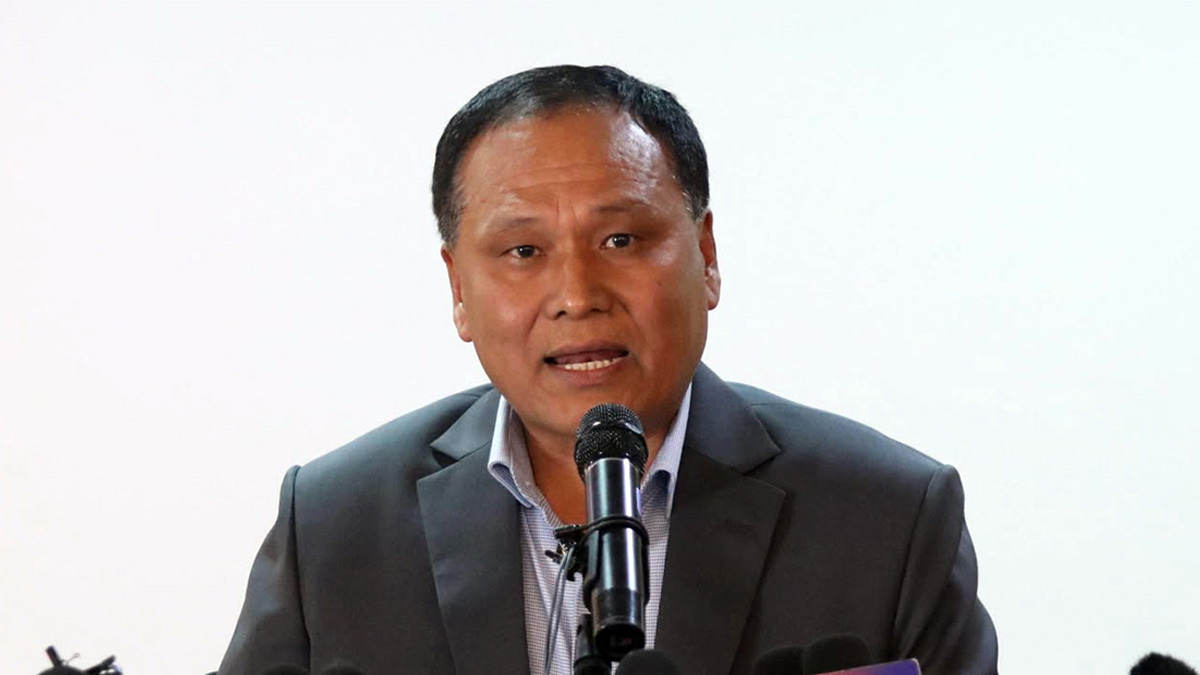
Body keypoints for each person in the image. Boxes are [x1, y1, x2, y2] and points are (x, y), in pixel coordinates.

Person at [217, 65, 999, 675]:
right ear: (458, 288)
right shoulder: (334, 525)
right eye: (524, 250)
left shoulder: (887, 517)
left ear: (707, 256)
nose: (577, 295)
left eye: (621, 240)